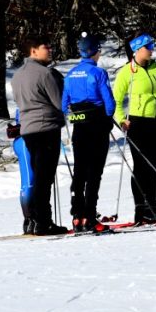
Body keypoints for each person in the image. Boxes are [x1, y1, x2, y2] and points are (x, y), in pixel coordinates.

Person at [112, 33, 156, 223]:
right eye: (148, 47)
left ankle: (152, 207)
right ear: (137, 49)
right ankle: (140, 209)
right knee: (142, 167)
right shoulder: (128, 72)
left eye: (152, 46)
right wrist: (121, 120)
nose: (152, 49)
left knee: (154, 168)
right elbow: (115, 101)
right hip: (137, 124)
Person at [11, 37, 69, 235]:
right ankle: (44, 222)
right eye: (46, 47)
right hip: (46, 127)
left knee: (37, 177)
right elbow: (59, 102)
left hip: (28, 129)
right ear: (33, 50)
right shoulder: (45, 73)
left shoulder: (17, 75)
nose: (50, 50)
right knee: (45, 178)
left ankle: (34, 219)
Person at [62, 34, 117, 232]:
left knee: (79, 171)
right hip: (97, 124)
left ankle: (77, 215)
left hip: (79, 127)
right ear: (95, 51)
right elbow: (109, 103)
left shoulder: (70, 74)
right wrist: (108, 118)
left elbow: (63, 104)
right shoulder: (98, 72)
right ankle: (90, 216)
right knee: (95, 173)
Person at [8, 109, 34, 235]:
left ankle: (29, 219)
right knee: (29, 180)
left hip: (23, 138)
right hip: (25, 139)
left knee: (28, 181)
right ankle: (30, 219)